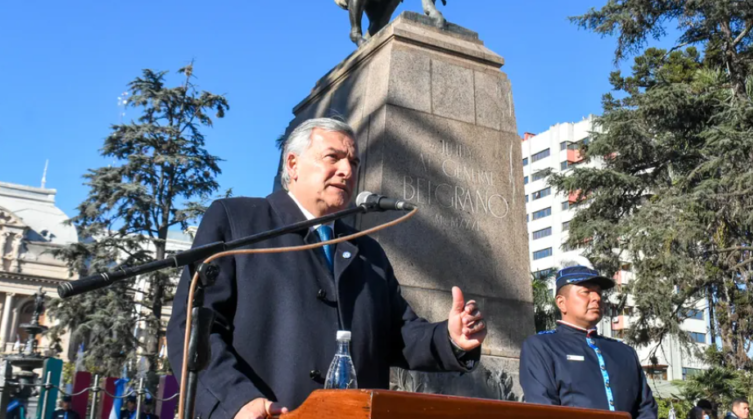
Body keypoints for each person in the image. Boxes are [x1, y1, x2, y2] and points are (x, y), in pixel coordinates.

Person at [166, 117, 486, 419]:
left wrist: (451, 338)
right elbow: (193, 330)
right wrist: (239, 400)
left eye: (354, 162)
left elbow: (400, 334)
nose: (347, 170)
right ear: (293, 164)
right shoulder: (238, 222)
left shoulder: (367, 252)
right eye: (333, 157)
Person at [519, 266, 657, 419]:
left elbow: (646, 408)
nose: (596, 298)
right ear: (561, 303)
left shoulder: (625, 352)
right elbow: (543, 409)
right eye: (586, 292)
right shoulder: (542, 346)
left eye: (598, 292)